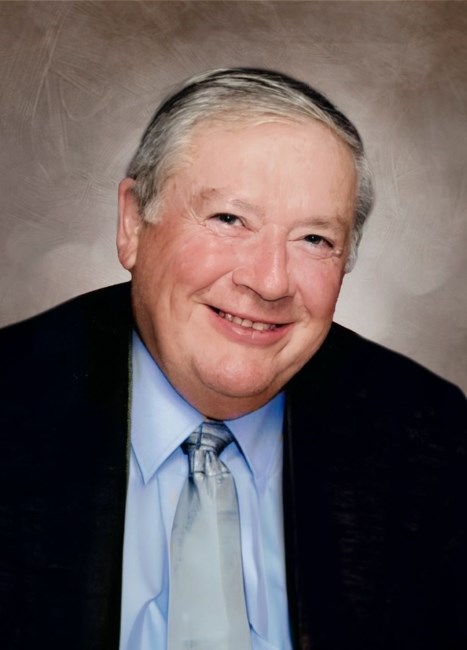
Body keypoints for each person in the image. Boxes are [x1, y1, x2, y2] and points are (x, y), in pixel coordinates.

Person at [0, 68, 466, 650]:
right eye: (229, 220)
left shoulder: (431, 439)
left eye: (315, 239)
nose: (270, 282)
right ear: (133, 223)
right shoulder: (12, 402)